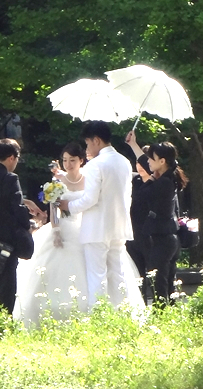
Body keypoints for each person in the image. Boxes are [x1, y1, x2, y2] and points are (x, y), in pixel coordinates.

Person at [14, 143, 144, 326]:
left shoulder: (90, 177)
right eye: (65, 160)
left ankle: (98, 308)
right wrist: (56, 230)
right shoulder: (57, 182)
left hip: (86, 227)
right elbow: (53, 209)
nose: (68, 164)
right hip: (64, 227)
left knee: (95, 268)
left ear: (81, 160)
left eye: (72, 160)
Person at [59, 121, 133, 307]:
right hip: (119, 225)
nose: (87, 148)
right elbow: (128, 196)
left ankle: (98, 315)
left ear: (96, 140)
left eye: (87, 143)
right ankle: (123, 312)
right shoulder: (124, 162)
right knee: (118, 274)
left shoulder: (95, 164)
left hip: (96, 228)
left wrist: (69, 206)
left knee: (97, 275)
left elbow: (90, 199)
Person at [0, 138, 44, 315]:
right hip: (6, 240)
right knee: (6, 286)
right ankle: (4, 323)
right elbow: (16, 208)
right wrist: (28, 224)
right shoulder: (10, 178)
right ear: (11, 157)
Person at [126, 131, 187, 306]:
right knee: (164, 281)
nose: (148, 162)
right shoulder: (168, 176)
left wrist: (150, 179)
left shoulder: (164, 183)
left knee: (159, 282)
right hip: (167, 238)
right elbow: (145, 163)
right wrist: (133, 144)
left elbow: (141, 195)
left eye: (152, 159)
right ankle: (167, 311)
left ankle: (161, 313)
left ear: (162, 161)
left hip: (163, 240)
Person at [126, 146, 151, 303]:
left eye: (144, 162)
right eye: (137, 162)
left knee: (153, 274)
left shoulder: (158, 183)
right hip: (133, 234)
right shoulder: (133, 181)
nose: (139, 166)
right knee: (137, 275)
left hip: (151, 235)